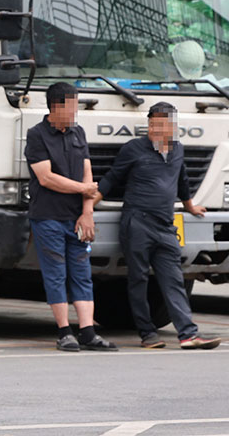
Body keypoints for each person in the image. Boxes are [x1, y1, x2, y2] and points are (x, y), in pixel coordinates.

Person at [97, 102, 220, 349]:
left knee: (174, 278)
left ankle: (187, 334)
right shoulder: (134, 148)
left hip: (165, 226)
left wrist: (190, 206)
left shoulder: (177, 150)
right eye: (156, 124)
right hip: (137, 223)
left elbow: (182, 180)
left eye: (166, 124)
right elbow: (111, 179)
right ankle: (147, 334)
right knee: (138, 279)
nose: (160, 129)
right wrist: (88, 207)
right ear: (150, 124)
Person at [25, 82, 118, 352]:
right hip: (48, 217)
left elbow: (87, 171)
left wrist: (88, 212)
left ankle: (88, 332)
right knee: (56, 273)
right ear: (55, 106)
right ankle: (64, 332)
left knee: (82, 273)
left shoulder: (78, 133)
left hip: (77, 217)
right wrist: (83, 189)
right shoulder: (37, 135)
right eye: (71, 106)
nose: (75, 111)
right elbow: (46, 178)